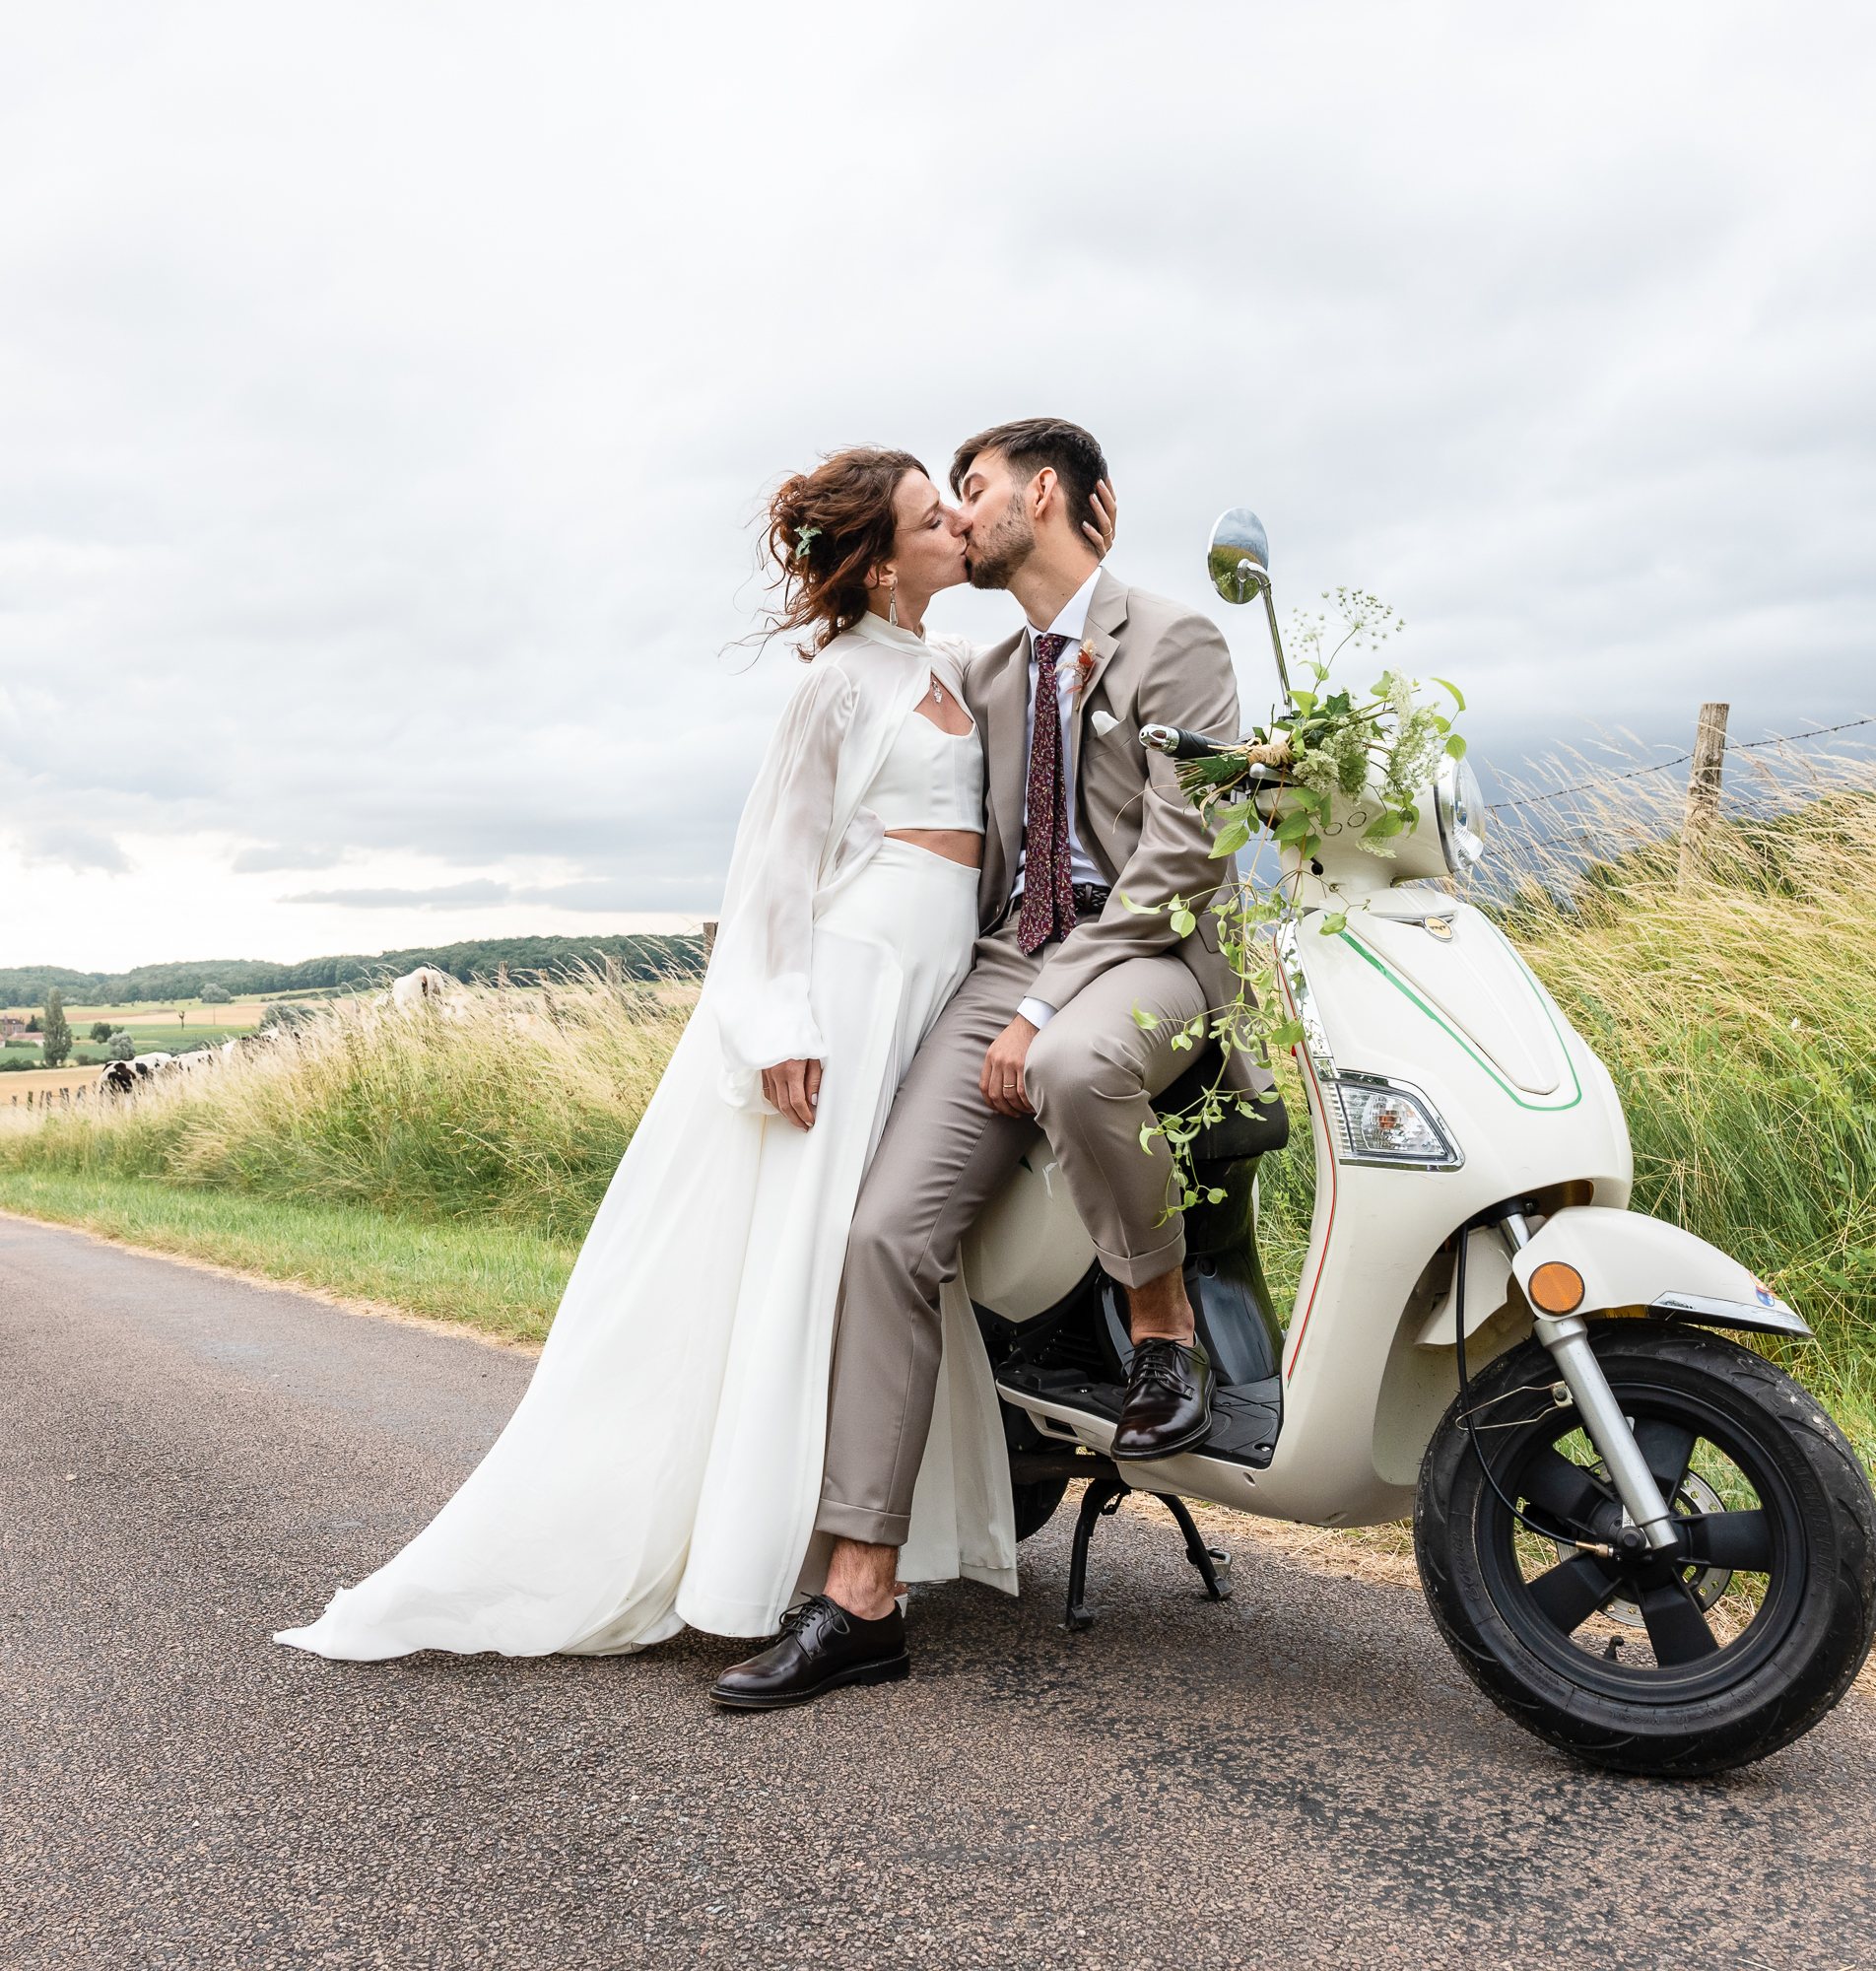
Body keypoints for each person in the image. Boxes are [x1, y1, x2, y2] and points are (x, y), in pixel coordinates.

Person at [274, 445, 1115, 1666]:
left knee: (867, 1266)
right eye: (934, 517)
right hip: (846, 997)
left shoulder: (945, 663)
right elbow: (774, 867)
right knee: (796, 1268)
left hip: (930, 999)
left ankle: (847, 1545)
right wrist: (779, 1024)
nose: (955, 526)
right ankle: (760, 1552)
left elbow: (1052, 669)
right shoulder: (834, 685)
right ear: (883, 563)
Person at [710, 418, 1265, 1709]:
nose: (959, 516)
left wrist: (1044, 1002)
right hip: (1004, 976)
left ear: (1051, 493)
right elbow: (882, 699)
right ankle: (861, 1597)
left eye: (973, 490)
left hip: (1148, 957)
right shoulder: (992, 671)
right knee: (884, 1240)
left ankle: (1163, 1332)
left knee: (1072, 1062)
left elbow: (1182, 861)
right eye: (944, 503)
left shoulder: (1177, 640)